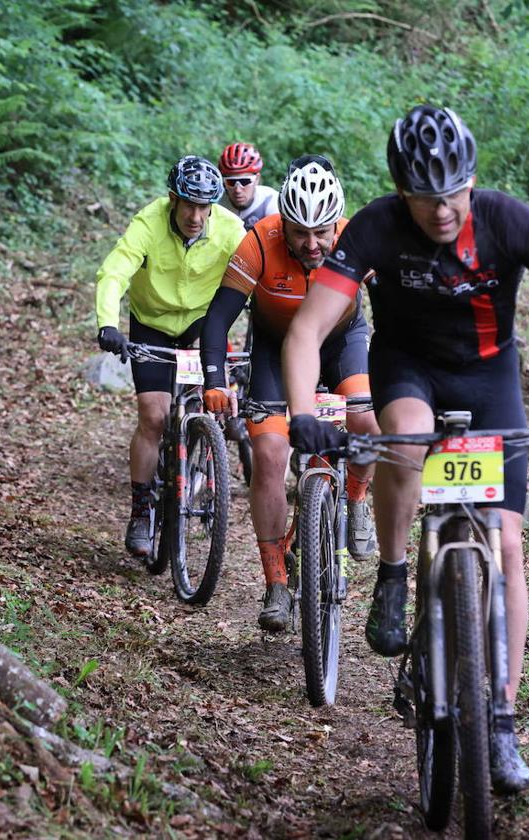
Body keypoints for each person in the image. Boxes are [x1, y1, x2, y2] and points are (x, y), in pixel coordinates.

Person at [281, 106, 529, 792]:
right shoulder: (376, 225)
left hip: (489, 371)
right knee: (404, 446)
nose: (441, 212)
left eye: (453, 194)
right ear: (400, 191)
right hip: (408, 365)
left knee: (509, 547)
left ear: (473, 181)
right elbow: (306, 330)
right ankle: (393, 571)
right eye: (424, 197)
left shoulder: (507, 220)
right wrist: (299, 414)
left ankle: (499, 720)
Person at [200, 155, 380, 632]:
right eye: (301, 231)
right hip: (275, 352)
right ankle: (277, 582)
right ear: (286, 220)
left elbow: (394, 312)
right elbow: (220, 317)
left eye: (322, 232)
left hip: (342, 344)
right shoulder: (260, 241)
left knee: (366, 421)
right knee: (271, 454)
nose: (312, 243)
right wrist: (215, 380)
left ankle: (357, 499)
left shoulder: (355, 240)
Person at [94, 155, 245, 558]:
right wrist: (108, 322)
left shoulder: (230, 229)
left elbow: (255, 275)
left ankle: (202, 459)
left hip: (201, 326)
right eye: (189, 205)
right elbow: (115, 271)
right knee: (154, 416)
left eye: (204, 207)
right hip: (152, 324)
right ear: (172, 200)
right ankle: (141, 510)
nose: (196, 216)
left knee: (211, 400)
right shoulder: (149, 223)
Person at [218, 142, 280, 230]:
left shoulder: (271, 201)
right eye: (231, 182)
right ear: (224, 182)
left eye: (245, 181)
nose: (238, 190)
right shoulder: (216, 205)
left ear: (257, 179)